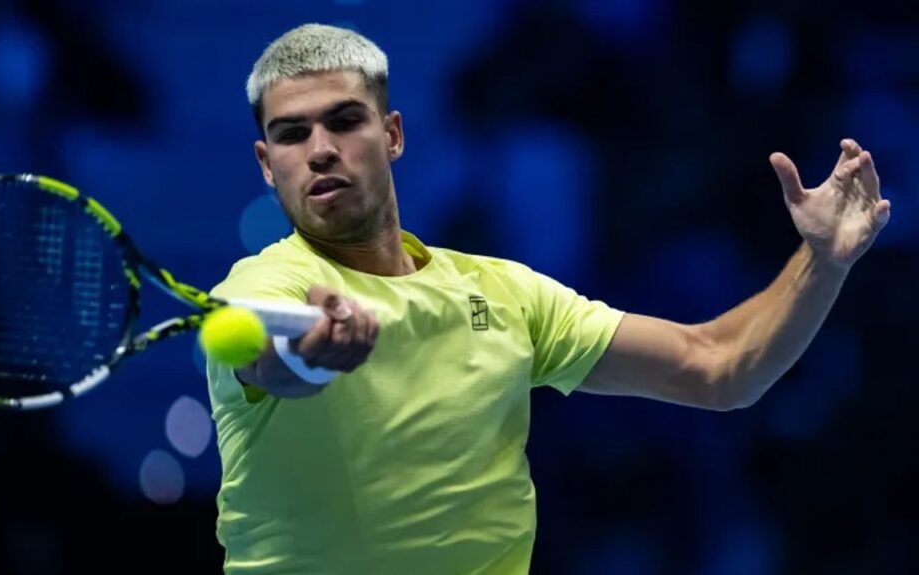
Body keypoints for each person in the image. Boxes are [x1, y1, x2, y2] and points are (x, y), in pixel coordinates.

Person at [205, 23, 890, 574]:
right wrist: (313, 351)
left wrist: (822, 261)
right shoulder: (264, 285)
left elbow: (718, 366)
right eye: (292, 133)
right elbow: (263, 347)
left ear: (392, 136)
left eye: (344, 121)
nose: (320, 149)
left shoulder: (507, 293)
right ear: (268, 165)